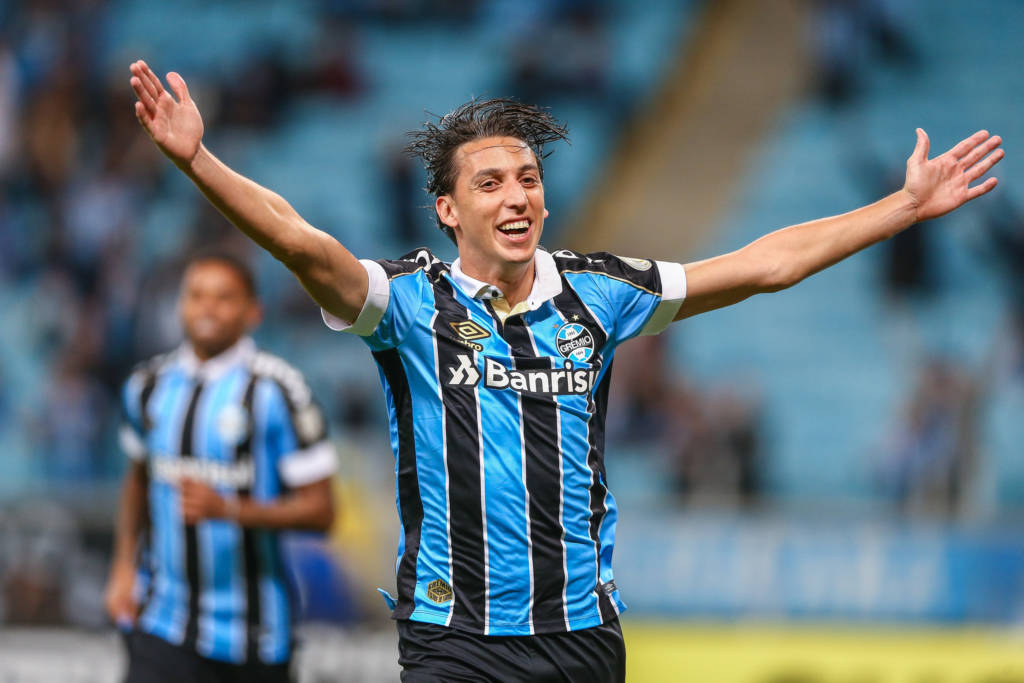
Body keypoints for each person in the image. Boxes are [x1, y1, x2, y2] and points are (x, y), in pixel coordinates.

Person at [127, 58, 1003, 682]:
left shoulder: (600, 291)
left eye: (529, 178)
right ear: (446, 209)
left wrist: (902, 206)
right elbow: (299, 241)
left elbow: (765, 264)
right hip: (452, 637)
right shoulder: (404, 301)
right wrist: (198, 161)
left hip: (581, 635)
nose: (517, 197)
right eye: (491, 183)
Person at [104, 250, 337, 683]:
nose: (207, 308)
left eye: (224, 297)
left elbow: (321, 513)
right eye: (196, 296)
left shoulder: (280, 390)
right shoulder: (147, 386)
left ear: (253, 312)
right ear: (180, 305)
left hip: (255, 635)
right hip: (162, 624)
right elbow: (137, 480)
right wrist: (122, 568)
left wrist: (228, 509)